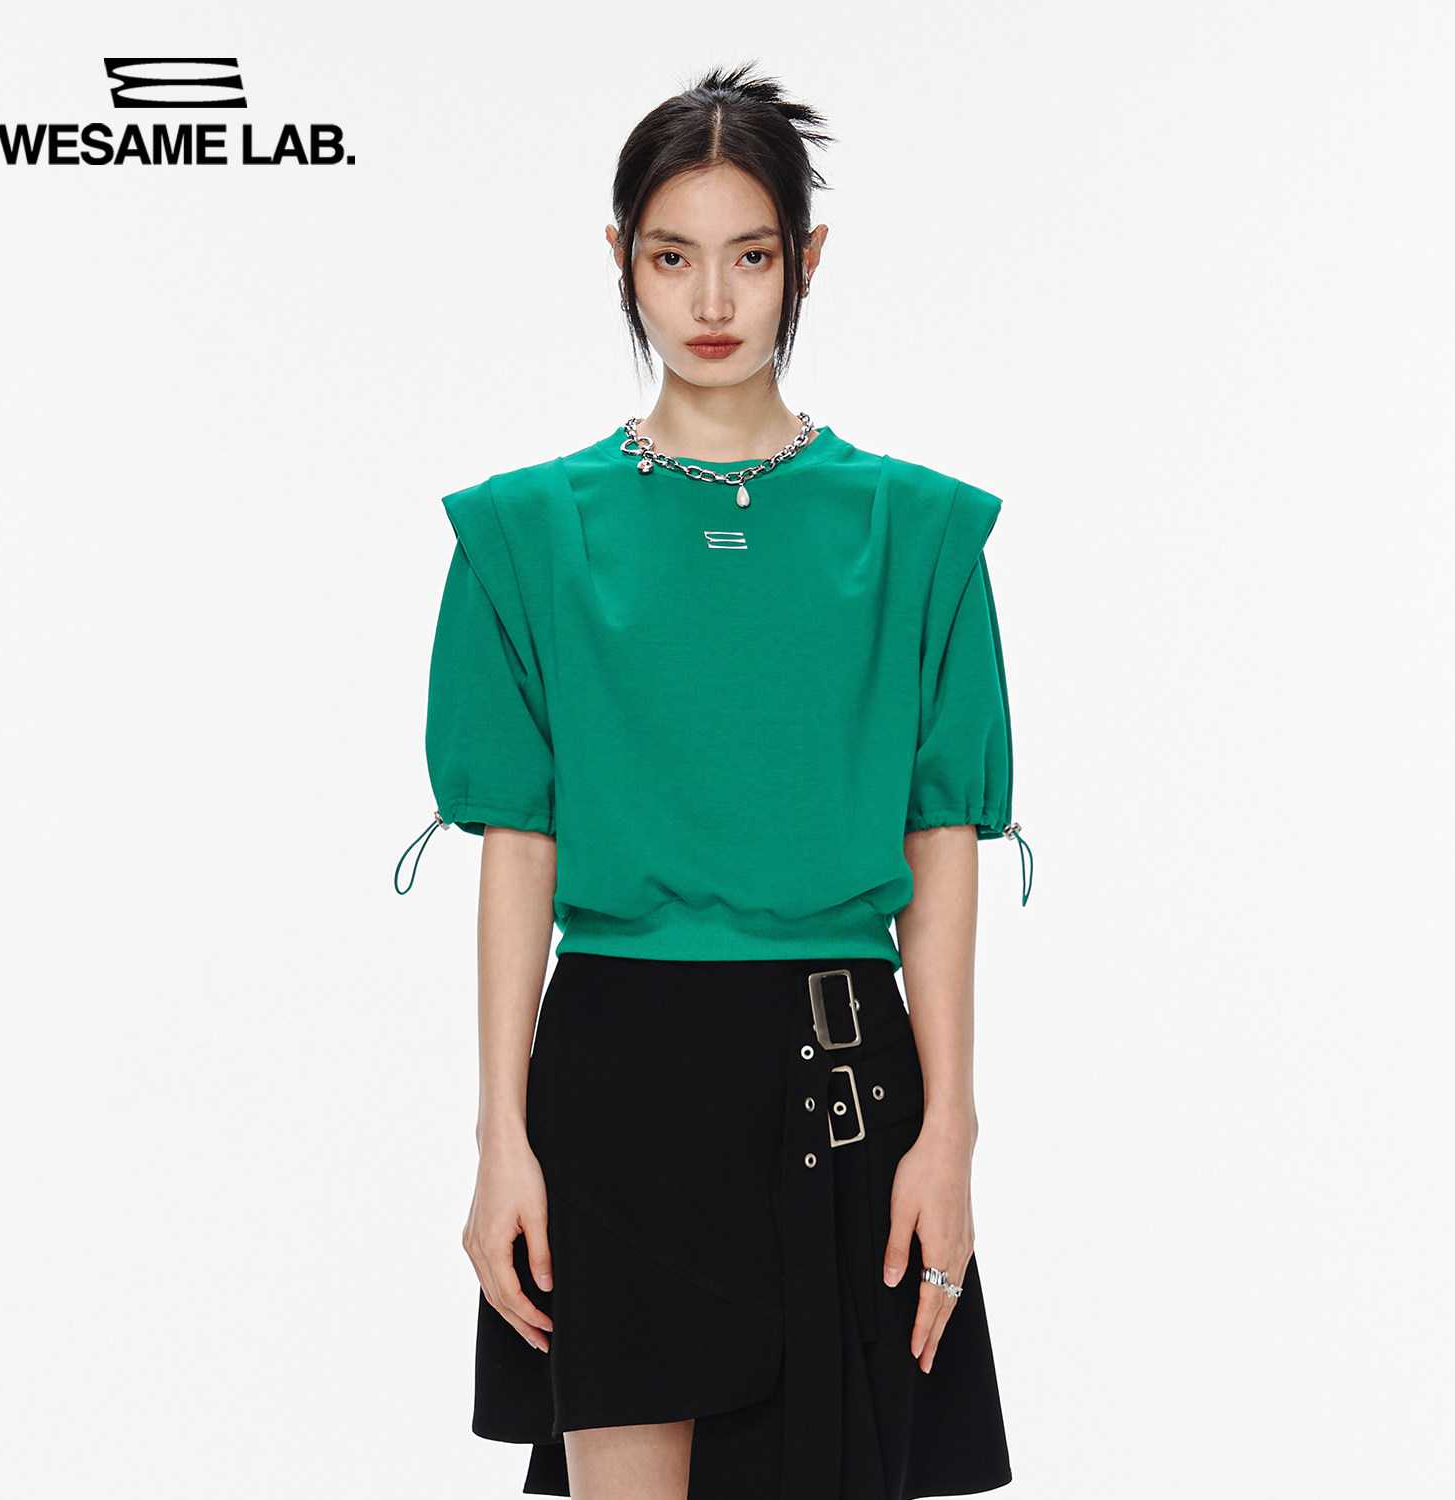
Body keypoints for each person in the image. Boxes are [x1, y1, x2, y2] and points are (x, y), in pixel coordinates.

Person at [394, 61, 1033, 1500]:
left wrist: (950, 1134)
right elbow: (519, 849)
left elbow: (941, 845)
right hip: (617, 1078)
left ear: (807, 258)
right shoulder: (526, 537)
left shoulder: (918, 534)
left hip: (842, 1075)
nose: (713, 301)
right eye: (673, 258)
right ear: (620, 258)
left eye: (750, 256)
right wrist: (501, 1139)